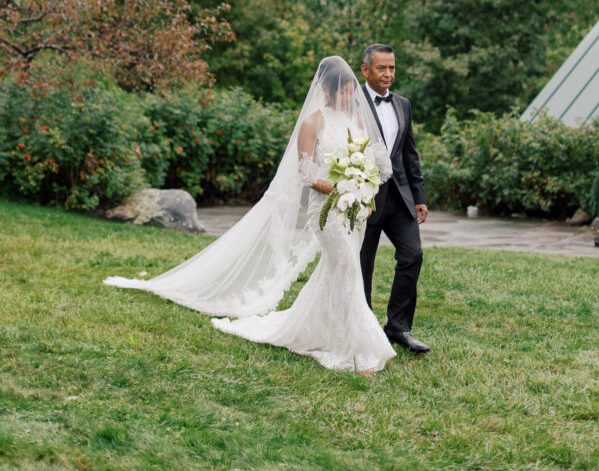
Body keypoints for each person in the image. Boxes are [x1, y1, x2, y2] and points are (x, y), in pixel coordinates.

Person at [105, 56, 396, 373]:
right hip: (325, 211)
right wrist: (339, 191)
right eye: (342, 91)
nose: (348, 97)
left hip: (353, 212)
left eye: (351, 91)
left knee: (338, 272)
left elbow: (371, 165)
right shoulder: (314, 122)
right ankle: (356, 348)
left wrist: (363, 194)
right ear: (326, 90)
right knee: (349, 271)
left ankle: (319, 332)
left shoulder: (357, 120)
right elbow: (306, 174)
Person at [359, 43, 429, 354]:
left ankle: (398, 327)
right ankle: (360, 329)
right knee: (362, 265)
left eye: (392, 68)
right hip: (363, 200)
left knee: (412, 255)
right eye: (381, 68)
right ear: (366, 70)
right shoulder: (352, 102)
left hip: (400, 198)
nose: (388, 74)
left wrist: (419, 195)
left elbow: (409, 154)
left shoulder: (403, 104)